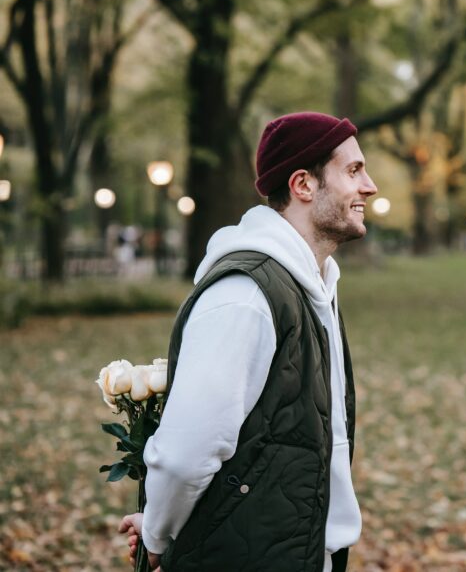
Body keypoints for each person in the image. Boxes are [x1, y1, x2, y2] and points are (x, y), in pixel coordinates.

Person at [119, 111, 378, 571]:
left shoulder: (312, 285)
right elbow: (185, 453)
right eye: (354, 171)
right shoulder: (245, 295)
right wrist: (159, 533)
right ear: (303, 185)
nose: (370, 186)